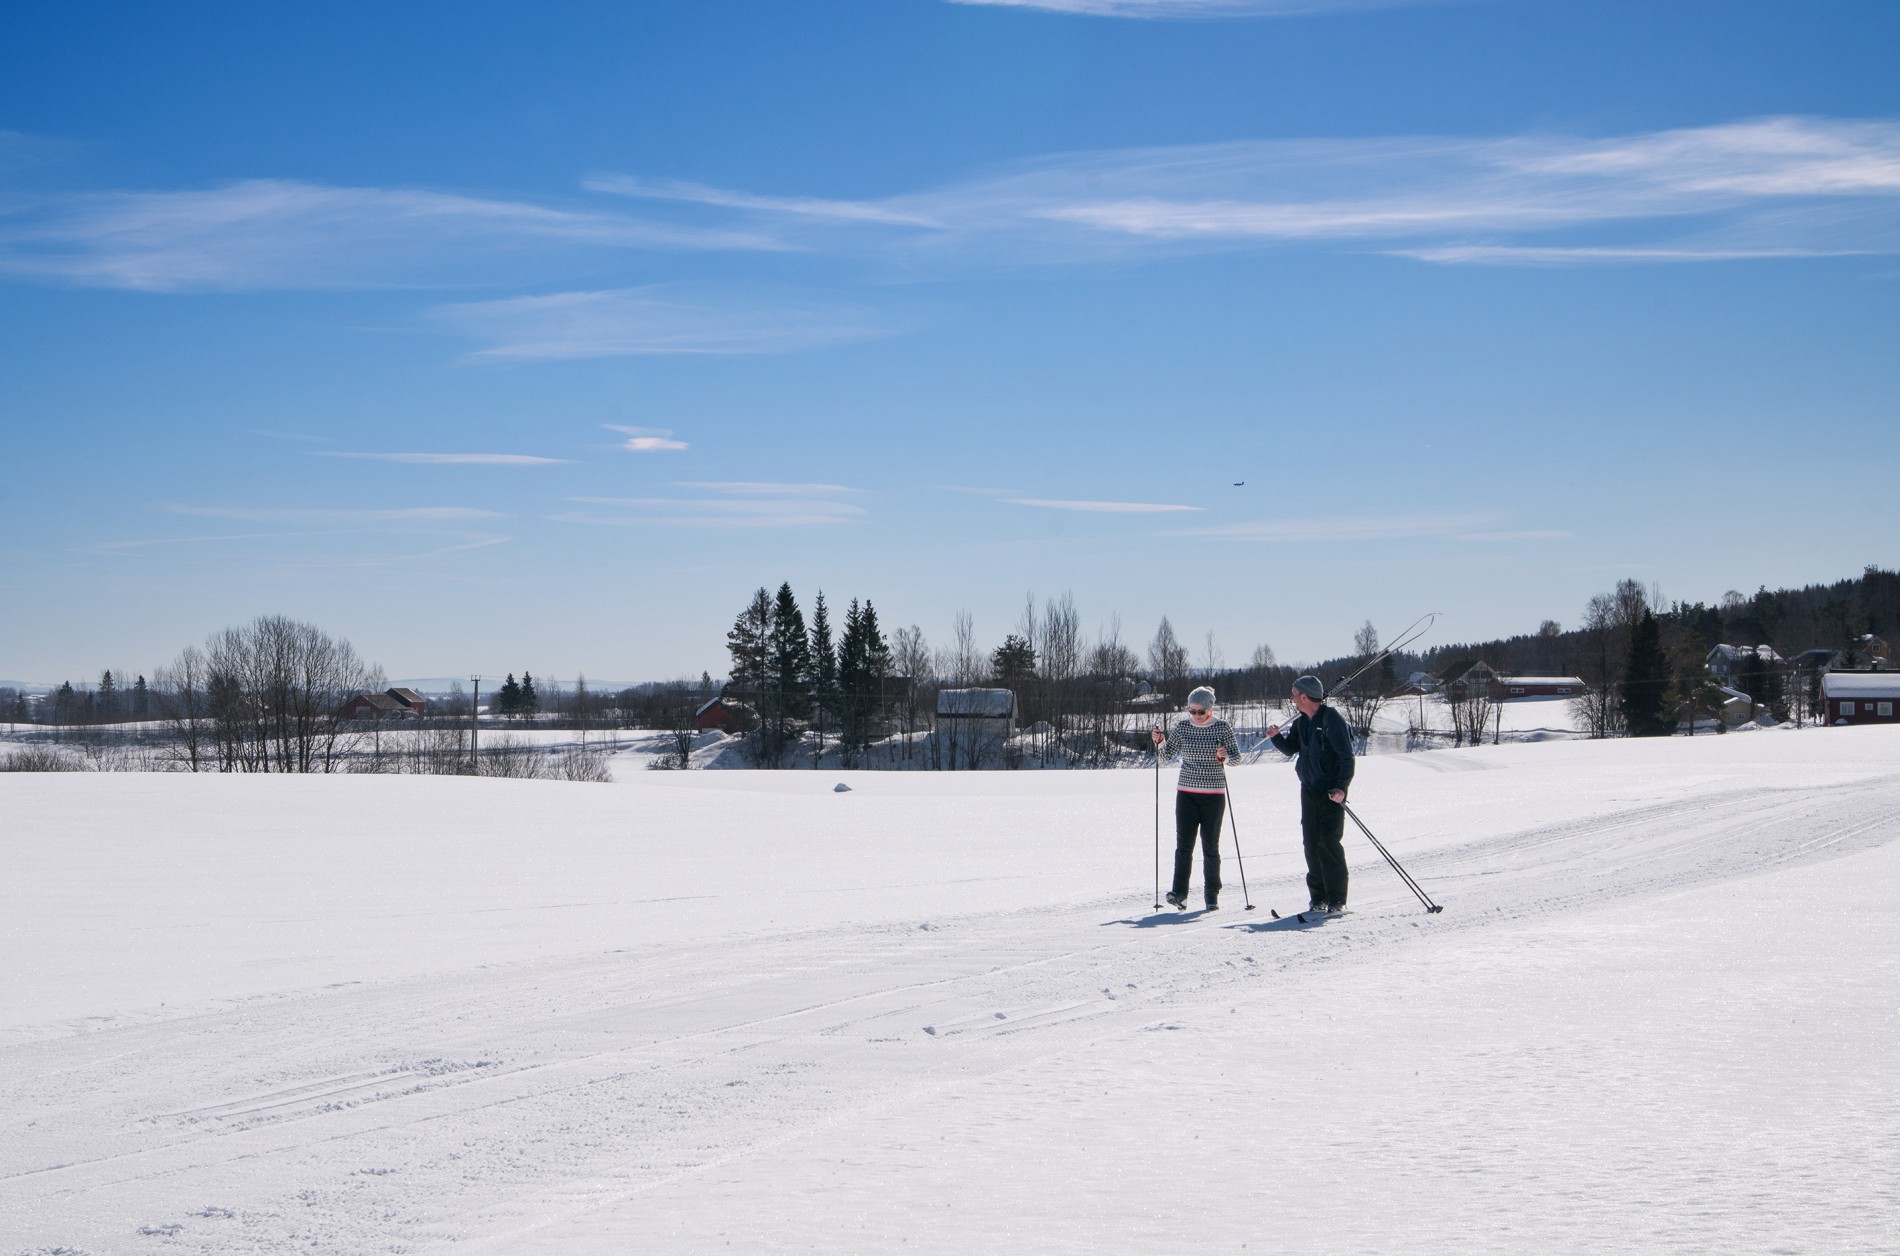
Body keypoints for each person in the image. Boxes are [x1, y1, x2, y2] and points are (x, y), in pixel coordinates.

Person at [1266, 674, 1356, 915]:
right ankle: (1318, 898)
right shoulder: (1302, 721)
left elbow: (1347, 758)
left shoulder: (1331, 720)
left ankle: (1337, 899)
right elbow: (1291, 748)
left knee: (1328, 843)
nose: (1292, 699)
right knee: (1311, 844)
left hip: (1330, 793)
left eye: (1295, 694)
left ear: (1305, 696)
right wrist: (1276, 738)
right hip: (1308, 790)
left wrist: (1342, 788)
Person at [1151, 686, 1241, 911]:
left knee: (1210, 846)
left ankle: (1212, 895)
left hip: (1213, 795)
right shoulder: (1182, 727)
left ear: (1210, 710)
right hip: (1187, 794)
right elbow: (1166, 755)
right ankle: (1179, 894)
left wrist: (1225, 756)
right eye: (1192, 711)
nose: (1196, 716)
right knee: (1184, 846)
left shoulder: (1222, 727)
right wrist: (1160, 740)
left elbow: (1237, 759)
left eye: (1200, 712)